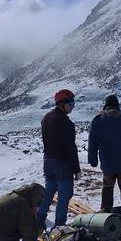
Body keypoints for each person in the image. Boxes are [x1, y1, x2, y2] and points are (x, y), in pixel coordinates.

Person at [88, 94, 121, 212]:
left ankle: (106, 213)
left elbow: (92, 142)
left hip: (107, 163)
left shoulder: (98, 121)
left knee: (107, 188)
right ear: (117, 106)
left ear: (105, 106)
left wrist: (92, 160)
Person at [36, 89, 81, 228]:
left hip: (48, 162)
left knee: (49, 192)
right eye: (70, 102)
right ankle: (60, 228)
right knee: (64, 196)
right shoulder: (66, 123)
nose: (73, 106)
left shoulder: (46, 118)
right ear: (61, 103)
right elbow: (70, 148)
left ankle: (38, 221)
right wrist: (76, 169)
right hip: (63, 165)